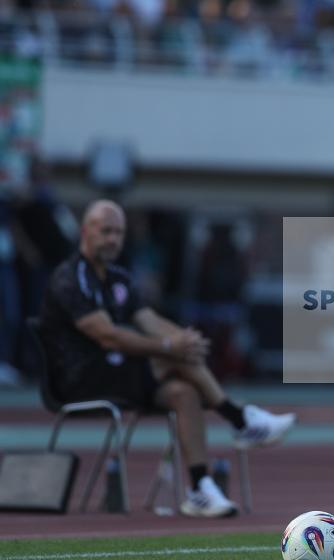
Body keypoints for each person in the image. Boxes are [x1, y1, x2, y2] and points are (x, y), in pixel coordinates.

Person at [39, 200, 296, 518]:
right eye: (105, 231)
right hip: (78, 379)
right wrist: (169, 346)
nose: (113, 239)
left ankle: (200, 488)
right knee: (172, 357)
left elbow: (149, 320)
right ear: (85, 231)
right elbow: (108, 336)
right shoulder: (70, 278)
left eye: (118, 232)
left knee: (183, 393)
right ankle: (239, 419)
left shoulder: (118, 278)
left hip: (116, 374)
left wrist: (183, 340)